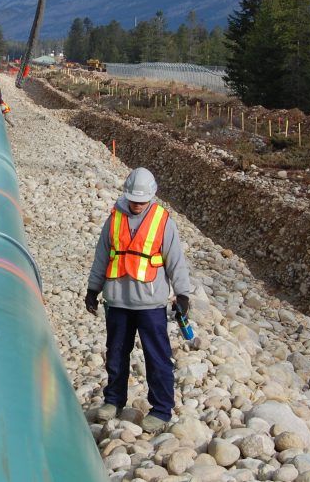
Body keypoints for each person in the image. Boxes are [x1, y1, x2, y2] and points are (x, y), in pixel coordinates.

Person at [85, 167, 193, 433]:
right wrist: (92, 289)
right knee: (116, 354)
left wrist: (182, 294)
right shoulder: (114, 219)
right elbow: (102, 256)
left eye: (141, 201)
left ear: (152, 197)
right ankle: (113, 401)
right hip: (118, 302)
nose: (137, 205)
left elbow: (175, 260)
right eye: (133, 200)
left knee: (157, 358)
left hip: (150, 305)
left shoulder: (162, 220)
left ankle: (161, 409)